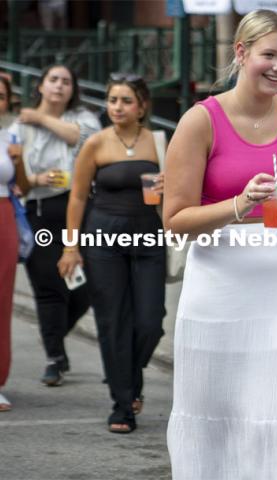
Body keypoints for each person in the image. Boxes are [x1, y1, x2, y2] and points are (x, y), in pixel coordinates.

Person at [164, 10, 277, 480]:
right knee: (221, 439)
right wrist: (238, 204)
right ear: (241, 52)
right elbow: (175, 222)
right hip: (218, 302)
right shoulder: (199, 121)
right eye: (269, 55)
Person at [58, 74, 166, 434]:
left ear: (142, 106)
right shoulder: (96, 143)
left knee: (151, 320)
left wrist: (170, 189)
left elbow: (174, 197)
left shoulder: (160, 143)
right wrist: (71, 245)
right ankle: (123, 405)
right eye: (112, 100)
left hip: (149, 236)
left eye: (125, 100)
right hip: (103, 237)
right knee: (113, 320)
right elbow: (76, 197)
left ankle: (129, 376)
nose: (117, 107)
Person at [8, 64, 101, 386]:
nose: (59, 86)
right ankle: (54, 357)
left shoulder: (84, 117)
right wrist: (35, 178)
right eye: (53, 80)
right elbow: (16, 174)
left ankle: (54, 334)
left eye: (66, 81)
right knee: (49, 288)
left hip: (80, 207)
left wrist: (43, 117)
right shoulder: (20, 126)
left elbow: (84, 137)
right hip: (39, 208)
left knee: (86, 286)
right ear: (41, 85)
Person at [0, 76, 29, 412]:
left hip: (5, 213)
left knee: (3, 297)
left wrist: (19, 160)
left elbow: (23, 185)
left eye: (2, 96)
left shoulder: (10, 137)